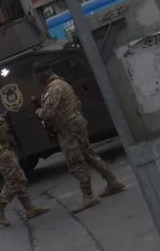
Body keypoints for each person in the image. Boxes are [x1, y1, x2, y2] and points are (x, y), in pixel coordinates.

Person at [32, 62, 126, 213]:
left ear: (43, 74)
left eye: (38, 76)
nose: (37, 80)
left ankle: (88, 196)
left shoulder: (54, 88)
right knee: (88, 154)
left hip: (68, 127)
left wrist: (38, 112)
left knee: (74, 161)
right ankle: (113, 181)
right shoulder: (62, 83)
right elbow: (78, 103)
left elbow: (48, 112)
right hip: (76, 122)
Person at [0, 87, 50, 226]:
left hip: (6, 150)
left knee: (19, 179)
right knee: (13, 181)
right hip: (1, 154)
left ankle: (29, 209)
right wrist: (1, 152)